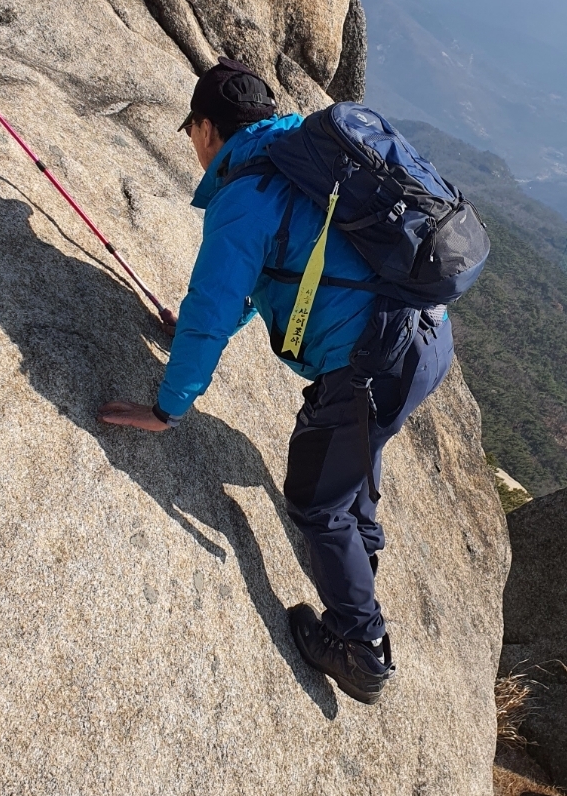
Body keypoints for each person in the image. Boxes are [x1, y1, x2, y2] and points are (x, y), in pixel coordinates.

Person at [98, 59, 454, 705]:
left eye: (192, 131)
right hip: (425, 336)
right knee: (355, 447)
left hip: (371, 360)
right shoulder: (306, 158)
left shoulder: (244, 195)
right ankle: (360, 556)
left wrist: (167, 407)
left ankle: (361, 647)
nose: (194, 145)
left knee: (315, 500)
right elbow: (269, 277)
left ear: (208, 127)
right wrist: (197, 330)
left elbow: (212, 304)